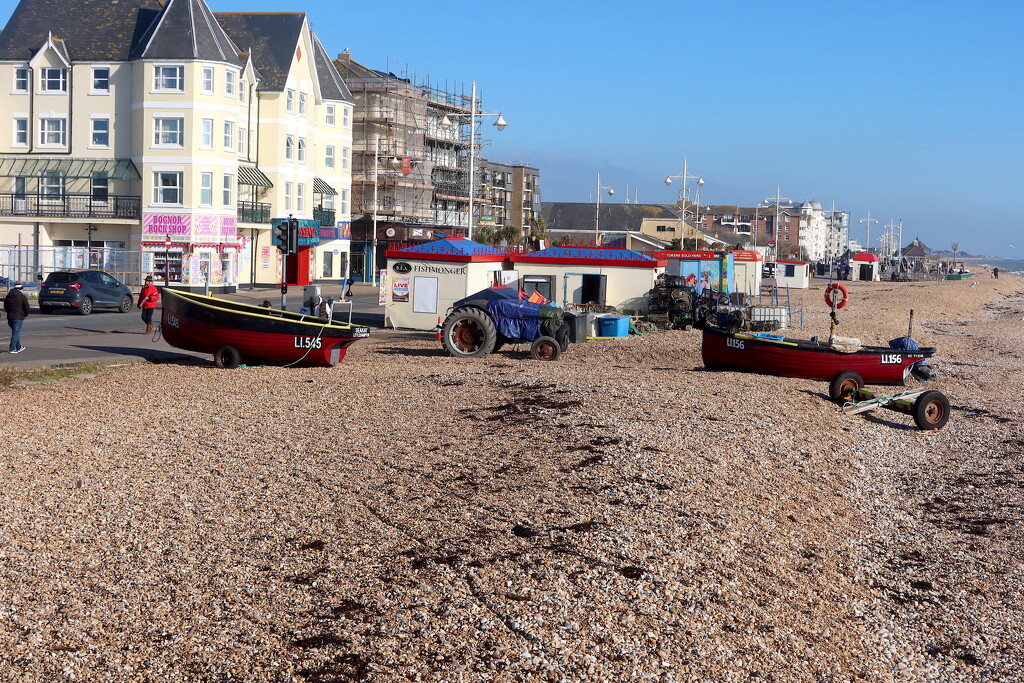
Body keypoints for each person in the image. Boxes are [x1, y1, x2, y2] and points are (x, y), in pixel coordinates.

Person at [4, 281, 30, 353]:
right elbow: (26, 307)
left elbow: (5, 306)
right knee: (15, 333)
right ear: (21, 289)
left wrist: (8, 312)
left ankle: (19, 347)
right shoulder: (22, 296)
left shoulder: (8, 296)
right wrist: (26, 314)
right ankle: (12, 348)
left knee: (15, 332)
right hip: (18, 317)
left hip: (10, 317)